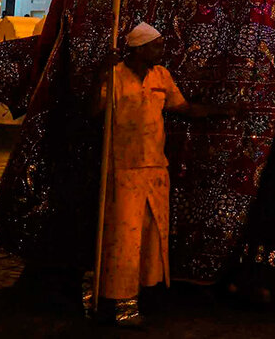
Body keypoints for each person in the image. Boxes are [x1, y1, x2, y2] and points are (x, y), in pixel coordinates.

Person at [93, 22, 226, 326]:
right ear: (139, 49)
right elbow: (94, 111)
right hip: (123, 167)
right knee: (124, 239)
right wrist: (99, 75)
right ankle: (121, 303)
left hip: (155, 168)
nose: (162, 51)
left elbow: (184, 108)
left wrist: (222, 111)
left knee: (153, 237)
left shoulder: (161, 76)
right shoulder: (115, 75)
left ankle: (146, 294)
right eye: (156, 46)